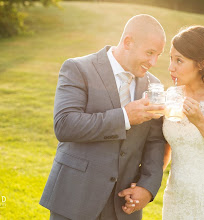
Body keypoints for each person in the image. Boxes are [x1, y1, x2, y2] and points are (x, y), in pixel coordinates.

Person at [39, 14, 167, 220]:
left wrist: (147, 187)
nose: (153, 62)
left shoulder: (154, 85)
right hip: (75, 199)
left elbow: (155, 141)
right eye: (150, 53)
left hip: (123, 206)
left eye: (158, 55)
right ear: (128, 42)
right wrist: (124, 117)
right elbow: (65, 125)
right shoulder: (78, 68)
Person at [124, 25, 204, 219]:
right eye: (171, 59)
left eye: (179, 60)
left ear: (201, 63)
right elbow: (165, 151)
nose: (171, 67)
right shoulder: (171, 95)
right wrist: (143, 185)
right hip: (176, 202)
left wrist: (201, 122)